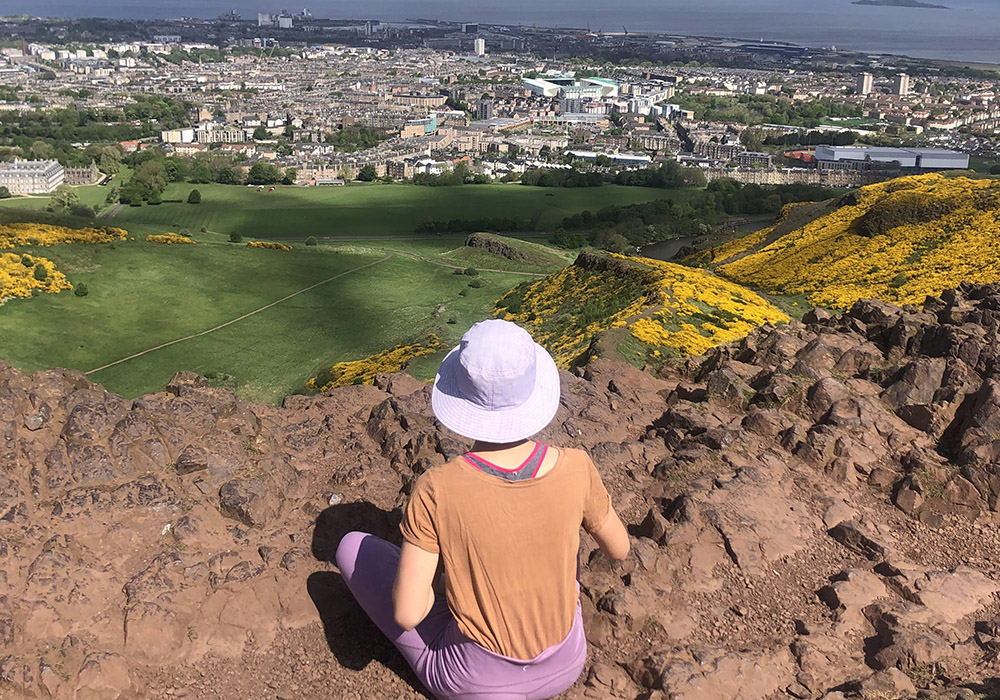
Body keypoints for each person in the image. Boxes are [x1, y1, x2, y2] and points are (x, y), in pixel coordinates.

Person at [335, 319, 630, 700]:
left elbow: (408, 614)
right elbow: (619, 548)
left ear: (461, 397)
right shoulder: (576, 465)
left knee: (352, 546)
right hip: (566, 663)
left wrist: (438, 587)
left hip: (478, 681)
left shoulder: (438, 489)